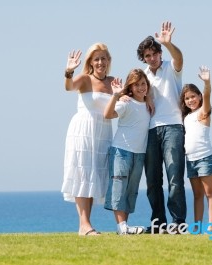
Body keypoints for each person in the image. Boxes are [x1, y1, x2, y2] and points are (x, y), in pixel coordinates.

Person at [136, 21, 186, 233]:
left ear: (159, 53)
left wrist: (168, 43)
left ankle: (177, 223)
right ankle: (159, 223)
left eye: (154, 53)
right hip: (151, 130)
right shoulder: (143, 75)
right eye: (147, 56)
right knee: (153, 181)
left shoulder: (170, 68)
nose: (151, 58)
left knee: (175, 178)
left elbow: (179, 58)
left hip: (173, 127)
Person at [61, 42, 114, 236]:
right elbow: (69, 87)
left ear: (109, 61)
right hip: (83, 130)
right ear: (91, 62)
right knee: (82, 174)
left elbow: (129, 99)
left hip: (103, 133)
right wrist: (68, 71)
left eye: (103, 58)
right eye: (96, 58)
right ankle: (84, 224)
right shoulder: (84, 79)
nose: (100, 62)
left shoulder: (114, 81)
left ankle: (85, 225)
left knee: (93, 176)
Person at [103, 69, 151, 235]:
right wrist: (115, 95)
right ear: (130, 87)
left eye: (143, 84)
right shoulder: (125, 102)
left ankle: (124, 228)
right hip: (121, 151)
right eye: (136, 85)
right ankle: (122, 226)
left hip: (139, 154)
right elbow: (108, 114)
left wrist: (149, 98)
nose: (140, 87)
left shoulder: (149, 104)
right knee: (119, 188)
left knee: (131, 190)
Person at [180, 66, 212, 232]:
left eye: (193, 96)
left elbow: (208, 94)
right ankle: (196, 228)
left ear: (200, 97)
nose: (190, 100)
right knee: (197, 195)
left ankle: (211, 227)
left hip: (204, 158)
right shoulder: (186, 117)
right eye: (187, 98)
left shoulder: (203, 112)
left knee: (209, 193)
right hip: (191, 160)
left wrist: (207, 83)